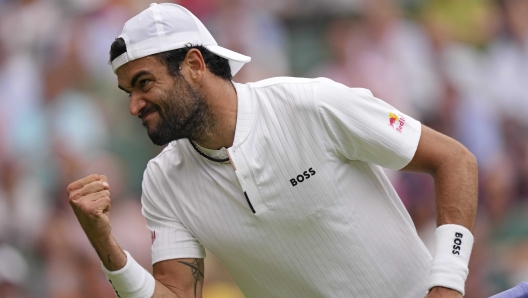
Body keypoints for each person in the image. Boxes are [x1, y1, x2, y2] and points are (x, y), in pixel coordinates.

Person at [66, 3, 478, 298]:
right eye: (127, 92)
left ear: (194, 64)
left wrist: (446, 283)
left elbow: (455, 160)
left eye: (143, 83)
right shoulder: (162, 181)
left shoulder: (312, 103)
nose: (134, 105)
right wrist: (106, 245)